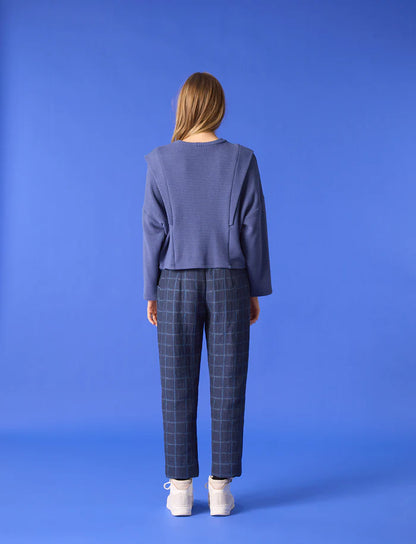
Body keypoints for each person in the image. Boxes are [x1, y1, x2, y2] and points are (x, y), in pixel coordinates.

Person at [142, 72, 272, 516]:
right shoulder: (242, 159)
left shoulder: (160, 161)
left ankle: (180, 490)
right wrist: (255, 287)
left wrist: (151, 289)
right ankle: (220, 489)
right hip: (230, 280)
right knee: (228, 382)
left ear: (183, 106)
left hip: (174, 282)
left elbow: (152, 231)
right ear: (218, 106)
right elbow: (253, 228)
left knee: (176, 384)